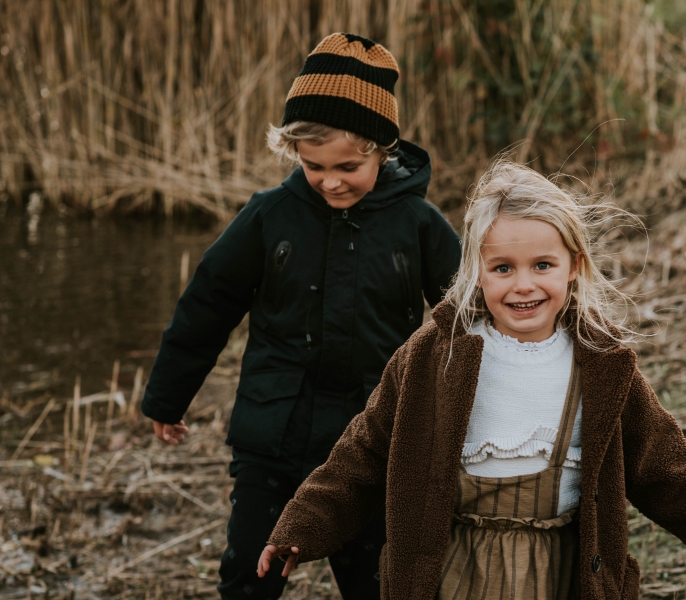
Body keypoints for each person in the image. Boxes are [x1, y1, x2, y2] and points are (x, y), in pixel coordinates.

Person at [258, 159, 686, 599]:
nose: (523, 285)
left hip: (563, 569)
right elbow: (363, 454)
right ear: (475, 271)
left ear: (573, 266)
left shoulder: (600, 361)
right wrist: (302, 528)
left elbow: (665, 465)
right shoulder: (433, 356)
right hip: (453, 569)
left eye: (542, 265)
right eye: (502, 268)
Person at [140, 33, 461, 600]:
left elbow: (468, 318)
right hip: (273, 438)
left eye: (348, 166)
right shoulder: (271, 216)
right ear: (293, 152)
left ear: (382, 151)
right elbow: (208, 304)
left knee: (381, 583)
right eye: (314, 166)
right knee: (249, 573)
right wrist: (168, 397)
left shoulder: (417, 224)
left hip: (372, 442)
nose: (331, 180)